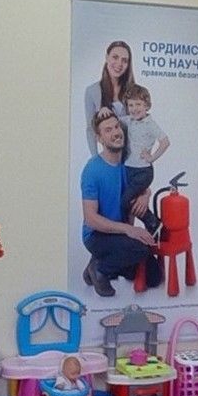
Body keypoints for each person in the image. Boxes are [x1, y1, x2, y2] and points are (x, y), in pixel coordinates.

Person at [81, 111, 163, 297]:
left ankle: (101, 263)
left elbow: (140, 185)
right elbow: (91, 219)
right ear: (99, 138)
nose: (116, 133)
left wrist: (146, 194)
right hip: (97, 235)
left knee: (154, 277)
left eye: (117, 127)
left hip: (121, 234)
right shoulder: (92, 170)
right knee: (139, 249)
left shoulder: (130, 163)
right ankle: (99, 268)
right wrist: (129, 230)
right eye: (108, 130)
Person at [120, 84, 170, 236]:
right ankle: (153, 227)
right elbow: (113, 120)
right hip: (128, 169)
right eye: (131, 105)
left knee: (124, 201)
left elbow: (165, 142)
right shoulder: (128, 120)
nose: (134, 109)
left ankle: (152, 222)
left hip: (143, 172)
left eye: (138, 104)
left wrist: (152, 157)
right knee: (131, 201)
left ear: (146, 106)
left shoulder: (150, 124)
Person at [84, 41, 135, 156]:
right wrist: (95, 157)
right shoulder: (92, 91)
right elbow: (90, 129)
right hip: (110, 157)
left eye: (124, 60)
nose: (119, 63)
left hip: (134, 158)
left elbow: (140, 123)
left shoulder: (134, 91)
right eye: (115, 57)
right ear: (107, 57)